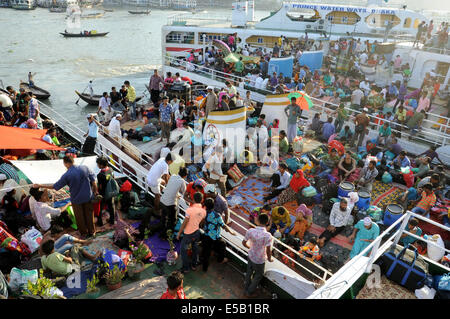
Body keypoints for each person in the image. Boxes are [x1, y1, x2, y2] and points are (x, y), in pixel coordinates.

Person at [33, 155, 99, 238]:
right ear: (73, 161)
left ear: (66, 163)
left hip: (76, 199)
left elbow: (55, 186)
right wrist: (95, 191)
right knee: (89, 214)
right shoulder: (85, 168)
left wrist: (40, 185)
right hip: (88, 196)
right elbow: (93, 181)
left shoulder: (67, 175)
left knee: (80, 217)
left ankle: (84, 233)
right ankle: (92, 232)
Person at [201, 197, 236, 272]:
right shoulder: (217, 215)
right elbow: (224, 226)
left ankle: (204, 268)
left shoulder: (203, 213)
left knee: (206, 252)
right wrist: (231, 232)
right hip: (215, 237)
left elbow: (202, 222)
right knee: (223, 244)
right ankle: (220, 259)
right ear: (213, 206)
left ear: (205, 206)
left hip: (206, 235)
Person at [242, 213, 273, 297]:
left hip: (251, 255)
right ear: (267, 223)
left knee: (249, 272)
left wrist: (250, 248)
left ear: (258, 220)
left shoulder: (251, 231)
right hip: (260, 260)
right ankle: (249, 292)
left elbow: (244, 242)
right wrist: (270, 259)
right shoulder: (267, 236)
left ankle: (246, 288)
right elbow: (268, 250)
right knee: (258, 275)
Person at [177, 192, 206, 273]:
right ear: (202, 200)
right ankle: (194, 265)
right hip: (196, 232)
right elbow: (202, 223)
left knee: (183, 250)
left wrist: (179, 233)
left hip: (188, 233)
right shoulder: (203, 211)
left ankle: (186, 268)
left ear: (193, 199)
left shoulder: (190, 210)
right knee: (195, 248)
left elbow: (185, 222)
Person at [159, 167, 187, 239]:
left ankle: (161, 234)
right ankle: (167, 236)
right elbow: (184, 192)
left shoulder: (173, 176)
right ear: (185, 175)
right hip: (170, 203)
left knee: (163, 218)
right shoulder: (182, 181)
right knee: (172, 220)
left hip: (162, 199)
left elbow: (172, 187)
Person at [95, 156, 115, 226]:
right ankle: (112, 220)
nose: (97, 165)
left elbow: (100, 186)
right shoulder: (111, 169)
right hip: (111, 192)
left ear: (101, 165)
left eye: (97, 164)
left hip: (103, 194)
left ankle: (100, 223)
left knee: (100, 208)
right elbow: (113, 179)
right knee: (111, 206)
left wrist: (97, 193)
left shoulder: (100, 175)